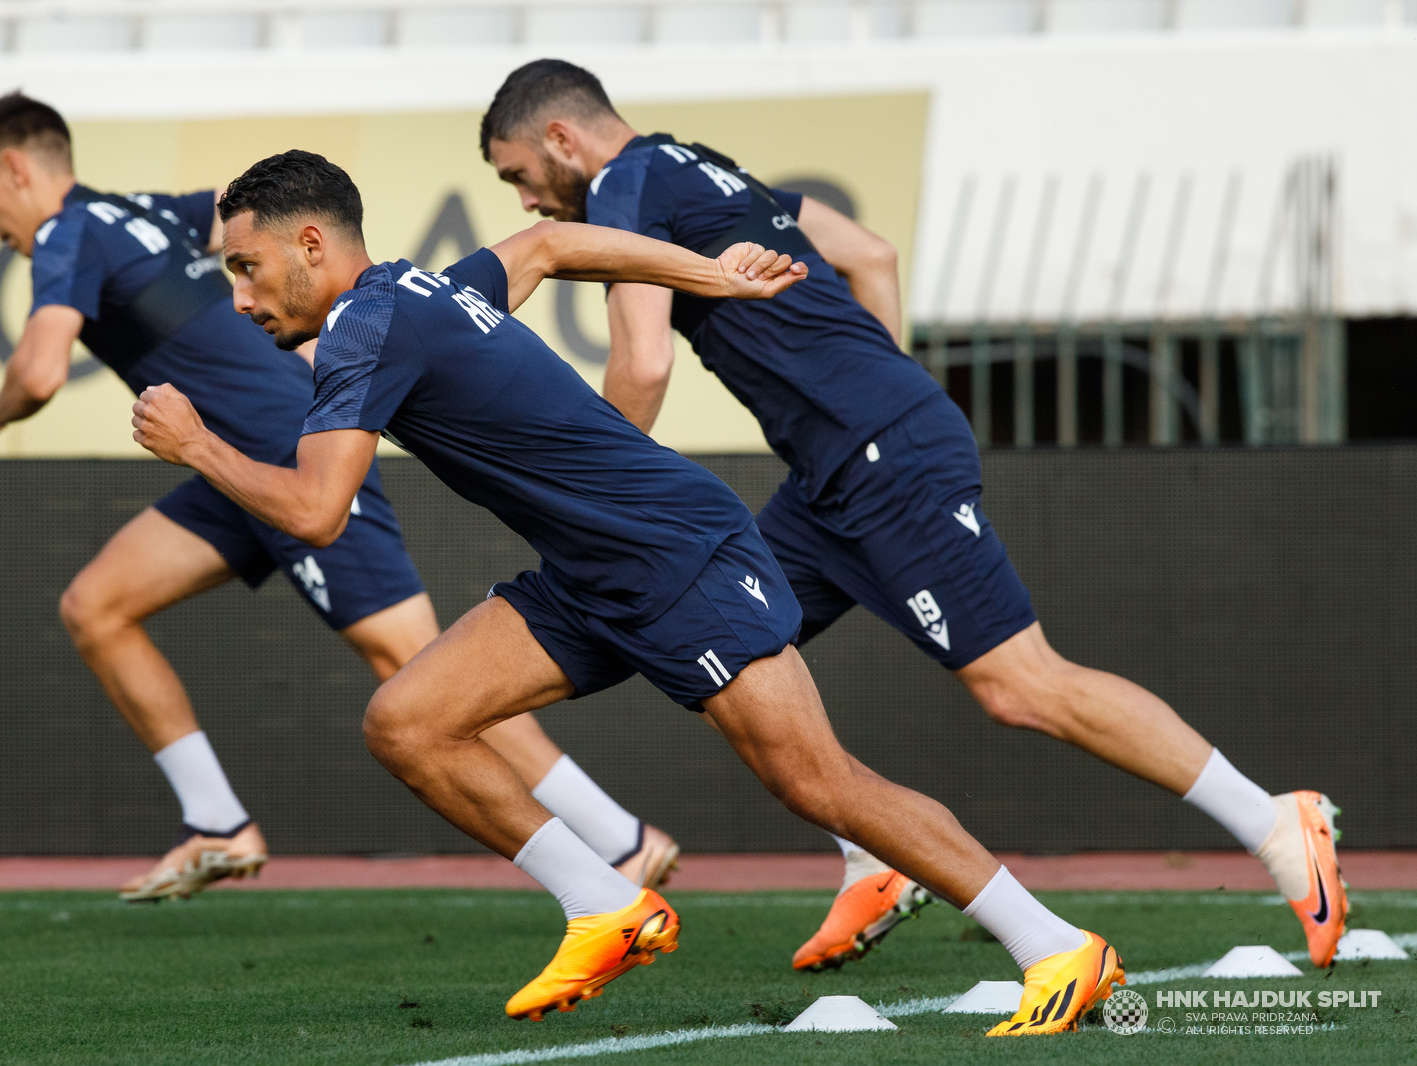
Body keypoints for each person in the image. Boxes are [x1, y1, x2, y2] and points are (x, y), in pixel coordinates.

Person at [131, 148, 1124, 1036]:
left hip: (672, 554)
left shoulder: (365, 326)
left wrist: (196, 446)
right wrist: (714, 276)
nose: (241, 296)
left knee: (817, 782)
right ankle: (605, 903)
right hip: (590, 571)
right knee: (408, 720)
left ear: (311, 242)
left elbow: (313, 512)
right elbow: (550, 242)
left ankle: (1053, 946)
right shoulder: (418, 291)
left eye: (246, 267)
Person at [478, 58, 1349, 972]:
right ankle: (876, 858)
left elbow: (644, 363)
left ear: (561, 140)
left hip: (877, 455)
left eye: (520, 178)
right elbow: (871, 254)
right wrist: (869, 388)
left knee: (1020, 683)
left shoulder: (622, 187)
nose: (531, 204)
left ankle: (1274, 822)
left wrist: (601, 499)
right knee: (725, 657)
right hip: (836, 470)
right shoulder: (698, 164)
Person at [0, 92, 679, 902]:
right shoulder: (139, 213)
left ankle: (619, 840)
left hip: (293, 453)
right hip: (230, 462)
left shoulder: (65, 233)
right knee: (97, 605)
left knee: (426, 674)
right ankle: (219, 824)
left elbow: (42, 371)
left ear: (15, 170)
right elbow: (242, 205)